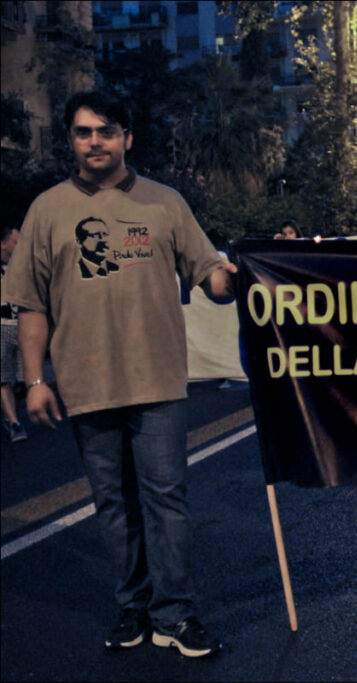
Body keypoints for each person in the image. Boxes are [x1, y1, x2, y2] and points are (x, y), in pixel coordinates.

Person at [4, 90, 236, 656]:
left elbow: (210, 276)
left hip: (158, 380)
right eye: (83, 132)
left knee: (166, 499)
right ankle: (132, 605)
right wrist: (35, 382)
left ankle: (174, 615)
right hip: (87, 384)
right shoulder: (47, 210)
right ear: (71, 140)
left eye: (106, 131)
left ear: (127, 138)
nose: (95, 142)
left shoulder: (165, 203)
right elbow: (31, 306)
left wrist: (238, 274)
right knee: (113, 504)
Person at [1, 225, 27, 443]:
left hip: (23, 327)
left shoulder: (21, 268)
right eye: (16, 242)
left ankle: (9, 413)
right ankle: (14, 423)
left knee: (22, 379)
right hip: (1, 327)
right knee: (3, 378)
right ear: (3, 244)